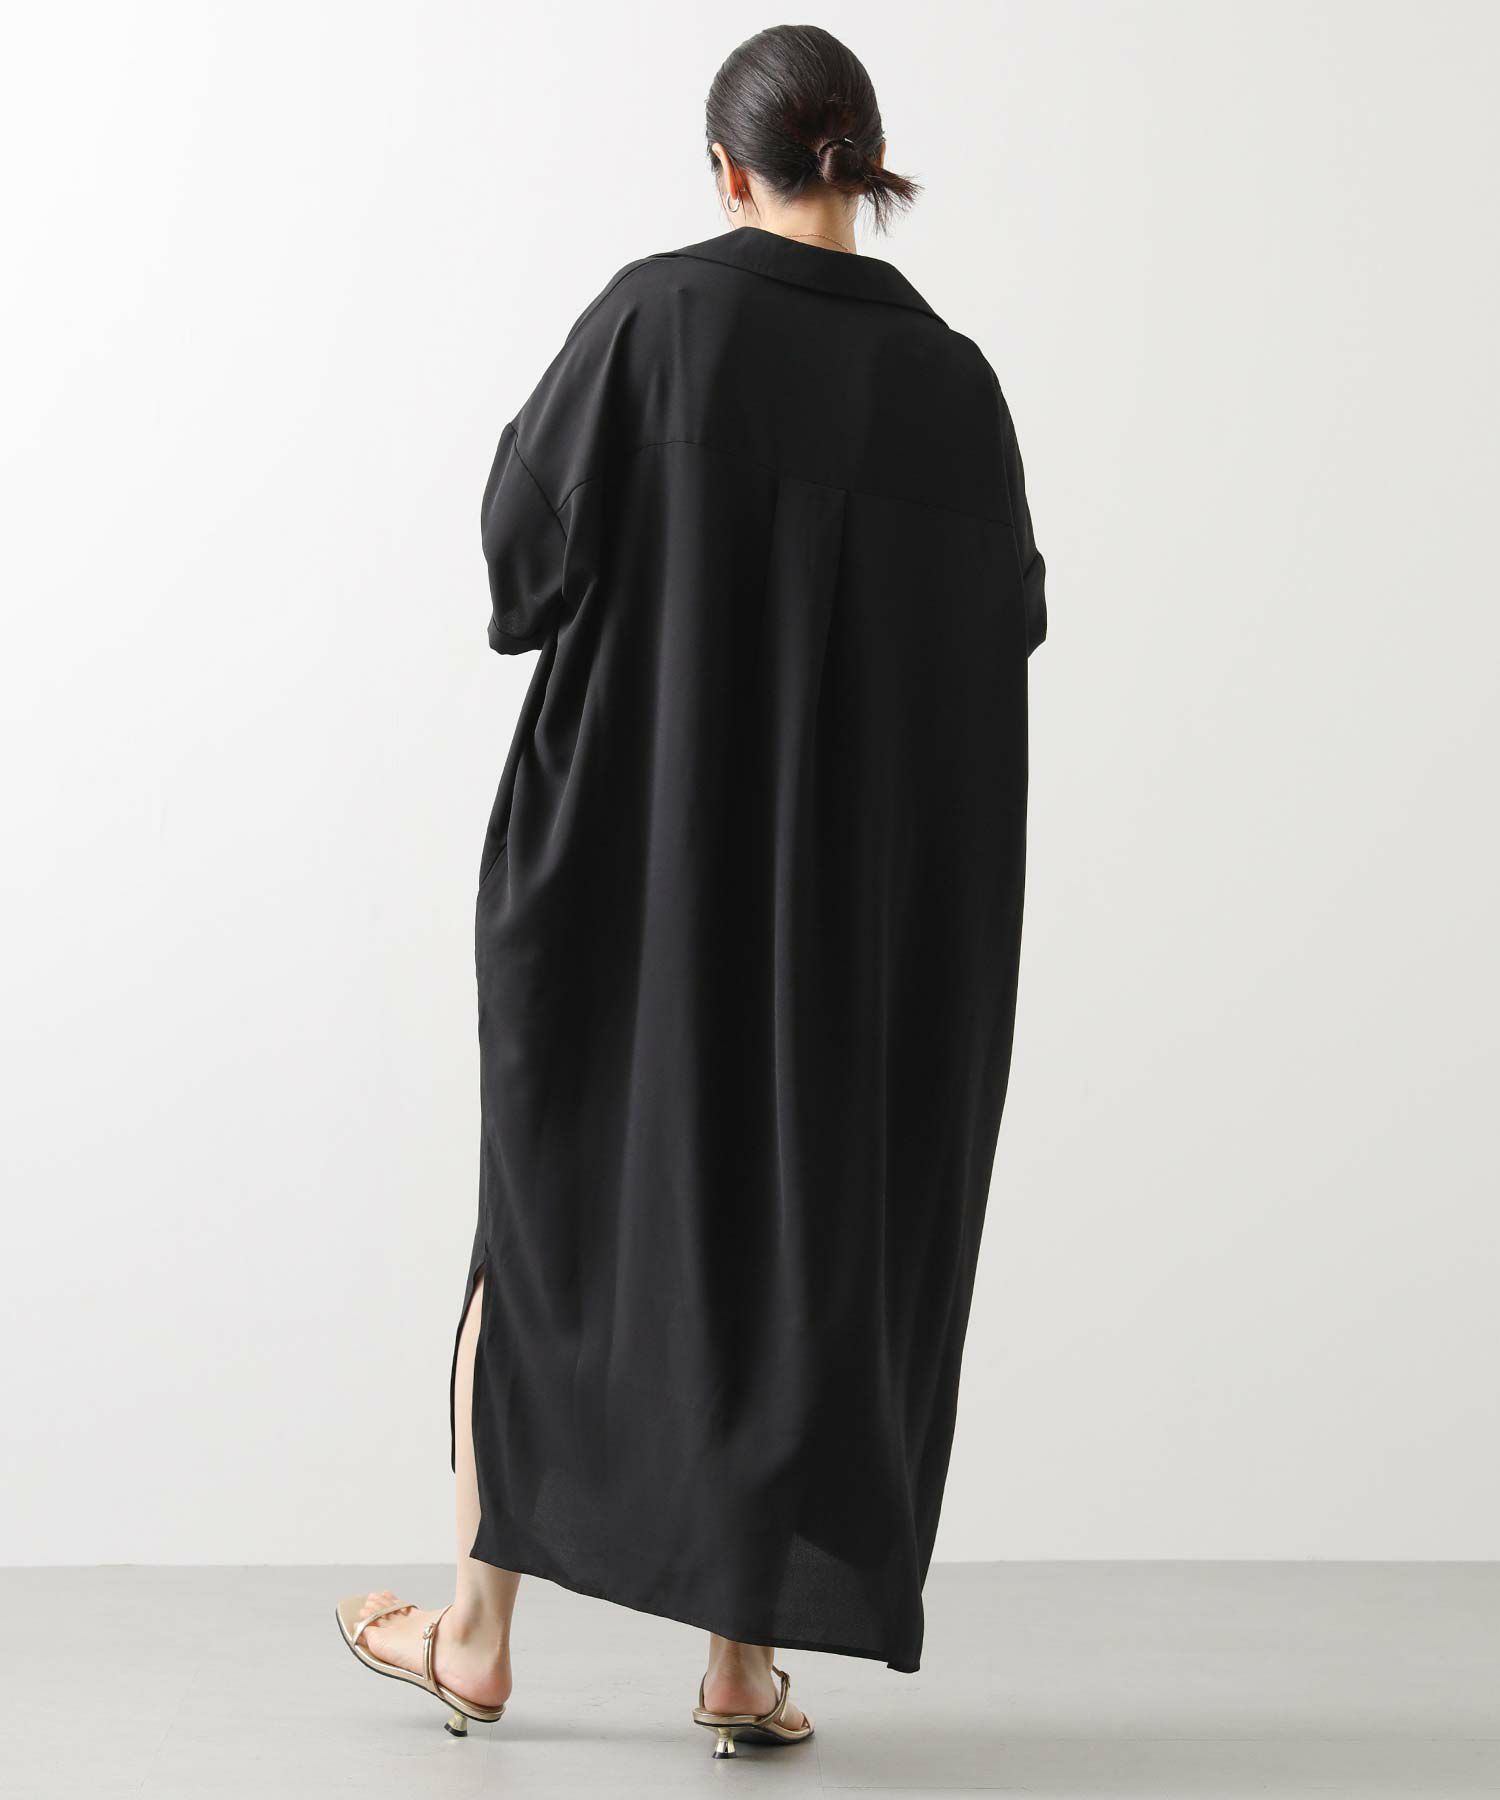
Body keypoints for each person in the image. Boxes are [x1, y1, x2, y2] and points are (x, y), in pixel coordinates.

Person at [335, 22, 1046, 1759]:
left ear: (729, 170)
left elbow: (519, 566)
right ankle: (741, 1669)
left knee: (544, 1229)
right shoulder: (957, 387)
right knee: (783, 1255)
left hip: (626, 879)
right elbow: (1001, 638)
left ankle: (476, 1640)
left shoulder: (655, 321)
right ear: (865, 167)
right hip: (843, 926)